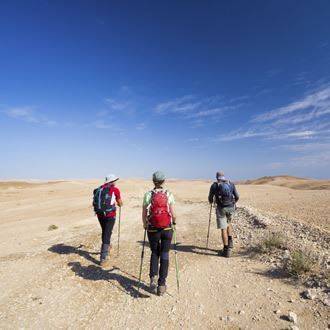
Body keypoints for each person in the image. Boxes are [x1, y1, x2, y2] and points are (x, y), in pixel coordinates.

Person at [142, 171, 176, 296]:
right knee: (165, 254)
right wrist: (175, 222)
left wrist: (145, 224)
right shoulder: (168, 194)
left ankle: (153, 278)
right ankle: (162, 285)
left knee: (155, 252)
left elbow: (144, 213)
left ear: (153, 180)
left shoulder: (148, 195)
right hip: (167, 229)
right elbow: (173, 213)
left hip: (152, 229)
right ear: (164, 181)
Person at [93, 174, 123, 266]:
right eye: (115, 180)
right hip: (110, 215)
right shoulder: (115, 189)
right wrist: (120, 204)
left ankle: (108, 247)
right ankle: (103, 257)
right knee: (107, 233)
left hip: (100, 214)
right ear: (112, 181)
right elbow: (120, 203)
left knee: (105, 231)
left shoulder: (98, 189)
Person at [208, 171, 239, 258]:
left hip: (221, 208)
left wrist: (211, 202)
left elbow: (210, 197)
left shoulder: (214, 185)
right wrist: (233, 203)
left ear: (217, 177)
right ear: (224, 177)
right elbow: (237, 197)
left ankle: (226, 251)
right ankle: (230, 242)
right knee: (228, 223)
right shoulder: (231, 184)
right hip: (230, 207)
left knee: (223, 228)